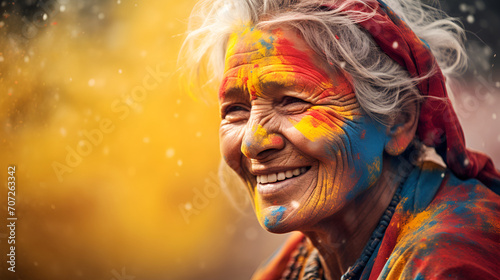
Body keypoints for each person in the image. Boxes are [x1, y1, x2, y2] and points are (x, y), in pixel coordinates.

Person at [180, 0, 500, 279]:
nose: (252, 142)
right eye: (235, 109)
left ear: (398, 121)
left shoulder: (447, 262)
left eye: (292, 102)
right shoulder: (296, 262)